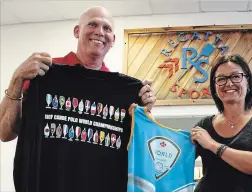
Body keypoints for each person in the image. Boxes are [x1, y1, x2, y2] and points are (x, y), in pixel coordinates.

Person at [0, 6, 156, 142]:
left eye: (107, 28)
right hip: (47, 175)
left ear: (113, 39)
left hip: (97, 176)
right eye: (92, 24)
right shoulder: (44, 70)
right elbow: (4, 134)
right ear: (77, 31)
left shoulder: (119, 89)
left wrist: (144, 115)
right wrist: (17, 79)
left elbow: (139, 149)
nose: (100, 32)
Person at [191, 53, 252, 192]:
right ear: (215, 86)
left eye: (236, 76)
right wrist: (145, 112)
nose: (229, 83)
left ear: (247, 81)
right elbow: (173, 162)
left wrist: (212, 145)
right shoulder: (203, 125)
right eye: (221, 79)